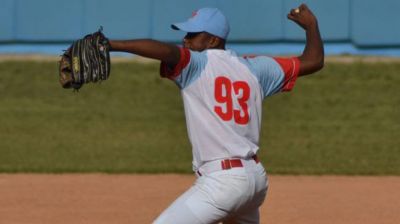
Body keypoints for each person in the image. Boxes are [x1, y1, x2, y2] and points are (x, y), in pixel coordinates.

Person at [109, 4, 324, 224]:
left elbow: (166, 51)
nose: (186, 40)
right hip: (254, 180)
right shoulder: (257, 69)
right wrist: (311, 26)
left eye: (193, 35)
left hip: (222, 184)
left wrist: (111, 44)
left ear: (213, 41)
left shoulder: (197, 64)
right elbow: (313, 61)